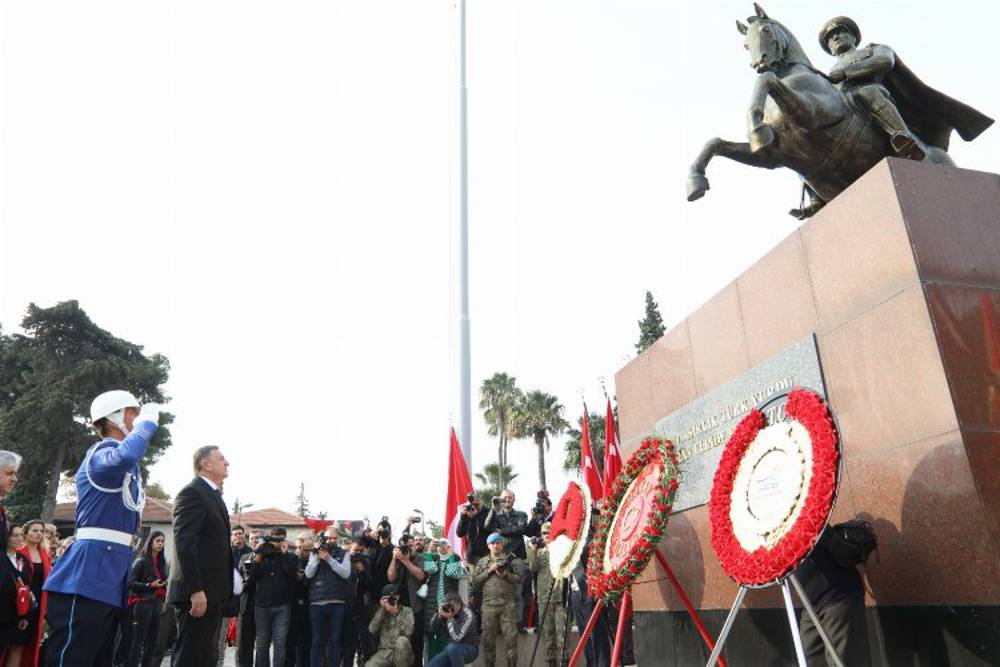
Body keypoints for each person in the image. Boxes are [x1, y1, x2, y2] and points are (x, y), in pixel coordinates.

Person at [43, 390, 159, 667]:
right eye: (133, 414)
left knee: (99, 659)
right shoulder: (100, 454)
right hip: (87, 574)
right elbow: (124, 456)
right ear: (114, 418)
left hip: (110, 572)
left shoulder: (127, 468)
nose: (137, 419)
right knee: (71, 658)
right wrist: (148, 425)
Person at [167, 445, 236, 667]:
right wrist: (195, 589)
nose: (227, 463)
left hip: (212, 594)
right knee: (190, 656)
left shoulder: (213, 495)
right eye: (221, 459)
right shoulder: (192, 493)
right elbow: (185, 544)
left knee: (206, 657)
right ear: (206, 464)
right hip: (197, 594)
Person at [819, 17, 924, 159]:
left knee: (866, 92)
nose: (835, 37)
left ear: (852, 38)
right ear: (831, 49)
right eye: (830, 38)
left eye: (840, 32)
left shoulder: (874, 49)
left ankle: (904, 139)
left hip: (872, 92)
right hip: (846, 105)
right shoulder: (830, 72)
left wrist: (845, 72)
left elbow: (885, 61)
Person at [795, 526, 871, 667]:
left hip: (837, 596)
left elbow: (828, 538)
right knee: (810, 660)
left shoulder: (804, 514)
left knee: (842, 661)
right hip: (811, 604)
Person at [249, 528, 297, 667]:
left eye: (280, 539)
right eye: (273, 539)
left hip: (282, 606)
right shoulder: (262, 554)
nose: (276, 543)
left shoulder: (290, 557)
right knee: (262, 644)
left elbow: (292, 575)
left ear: (285, 539)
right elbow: (251, 580)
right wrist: (258, 558)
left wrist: (284, 554)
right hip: (262, 606)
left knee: (280, 644)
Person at [472, 533, 522, 667]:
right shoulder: (483, 562)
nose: (496, 545)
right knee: (488, 641)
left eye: (498, 542)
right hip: (489, 606)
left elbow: (520, 579)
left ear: (502, 544)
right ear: (488, 546)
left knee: (512, 640)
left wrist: (507, 575)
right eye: (493, 543)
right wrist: (489, 571)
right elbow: (475, 582)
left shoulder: (510, 560)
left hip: (508, 605)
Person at [305, 534, 353, 667]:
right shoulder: (314, 553)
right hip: (317, 603)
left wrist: (329, 559)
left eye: (333, 538)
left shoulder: (343, 553)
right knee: (317, 640)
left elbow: (346, 573)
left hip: (337, 603)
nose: (331, 540)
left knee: (335, 640)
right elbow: (308, 574)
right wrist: (316, 556)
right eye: (328, 538)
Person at [127, 531, 169, 667]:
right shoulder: (141, 561)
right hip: (142, 604)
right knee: (138, 641)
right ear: (150, 542)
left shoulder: (163, 563)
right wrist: (149, 585)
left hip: (156, 604)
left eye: (162, 541)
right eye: (158, 541)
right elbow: (130, 583)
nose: (161, 544)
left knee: (153, 642)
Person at [421, 542, 467, 661]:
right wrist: (430, 551)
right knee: (433, 641)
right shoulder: (434, 558)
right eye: (439, 544)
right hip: (433, 607)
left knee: (448, 640)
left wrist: (450, 554)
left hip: (450, 607)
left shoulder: (455, 558)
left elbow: (451, 572)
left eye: (444, 544)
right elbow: (429, 569)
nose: (441, 547)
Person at [527, 523, 565, 667]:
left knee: (561, 634)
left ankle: (564, 662)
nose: (546, 536)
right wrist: (534, 550)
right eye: (544, 534)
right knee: (548, 635)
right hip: (544, 598)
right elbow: (533, 567)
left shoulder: (560, 549)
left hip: (559, 598)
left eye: (548, 533)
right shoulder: (539, 552)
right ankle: (551, 663)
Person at [387, 534, 426, 667]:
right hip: (399, 609)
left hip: (416, 608)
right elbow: (391, 577)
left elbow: (420, 576)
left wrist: (406, 561)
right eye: (405, 547)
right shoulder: (397, 559)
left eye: (410, 546)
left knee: (416, 645)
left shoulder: (420, 557)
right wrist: (394, 558)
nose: (408, 549)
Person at [341, 538, 373, 667]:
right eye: (355, 550)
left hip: (359, 604)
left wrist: (362, 570)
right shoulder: (342, 560)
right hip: (343, 604)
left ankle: (361, 661)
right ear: (350, 548)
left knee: (360, 638)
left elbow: (370, 583)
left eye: (361, 550)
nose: (357, 553)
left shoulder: (365, 561)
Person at [366, 585, 414, 667]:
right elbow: (372, 629)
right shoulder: (381, 612)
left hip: (403, 653)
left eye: (392, 598)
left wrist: (395, 613)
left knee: (402, 641)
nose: (390, 600)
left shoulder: (407, 611)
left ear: (398, 597)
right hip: (385, 653)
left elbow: (409, 631)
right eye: (386, 598)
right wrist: (382, 610)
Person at [286, 531, 314, 667]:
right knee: (291, 642)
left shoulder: (315, 560)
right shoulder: (291, 559)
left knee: (307, 642)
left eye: (303, 541)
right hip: (292, 605)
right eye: (298, 541)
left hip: (310, 605)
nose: (300, 545)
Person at [4, 525, 30, 667]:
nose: (19, 538)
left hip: (19, 611)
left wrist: (24, 615)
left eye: (21, 535)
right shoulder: (2, 558)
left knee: (16, 647)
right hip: (3, 611)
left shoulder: (23, 559)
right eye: (15, 535)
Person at [455, 496, 487, 569]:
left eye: (477, 503)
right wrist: (463, 516)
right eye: (473, 503)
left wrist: (476, 516)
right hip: (472, 557)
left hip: (486, 555)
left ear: (481, 501)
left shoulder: (487, 512)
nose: (474, 507)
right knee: (474, 579)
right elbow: (459, 533)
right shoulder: (467, 515)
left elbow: (487, 528)